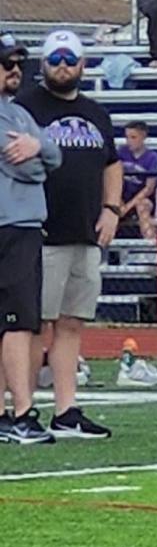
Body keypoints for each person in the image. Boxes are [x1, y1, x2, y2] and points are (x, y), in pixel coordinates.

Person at [16, 30, 120, 439]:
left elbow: (112, 163)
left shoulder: (96, 113)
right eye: (55, 59)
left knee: (71, 323)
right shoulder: (25, 108)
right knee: (33, 325)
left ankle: (66, 409)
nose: (62, 66)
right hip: (42, 231)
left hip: (84, 232)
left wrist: (111, 209)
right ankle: (23, 410)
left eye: (70, 59)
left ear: (82, 64)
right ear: (43, 64)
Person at [0, 33, 61, 444]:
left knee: (15, 321)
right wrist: (39, 156)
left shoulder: (18, 113)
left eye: (18, 63)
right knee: (17, 322)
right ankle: (21, 412)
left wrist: (38, 146)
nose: (15, 71)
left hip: (21, 223)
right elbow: (30, 169)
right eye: (7, 64)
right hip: (11, 224)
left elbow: (54, 155)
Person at [117, 121, 157, 240]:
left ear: (143, 137)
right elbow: (114, 179)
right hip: (122, 196)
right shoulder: (121, 153)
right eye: (127, 137)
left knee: (144, 206)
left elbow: (149, 188)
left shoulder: (152, 157)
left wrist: (128, 206)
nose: (129, 141)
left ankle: (149, 245)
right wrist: (120, 202)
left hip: (140, 197)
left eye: (133, 137)